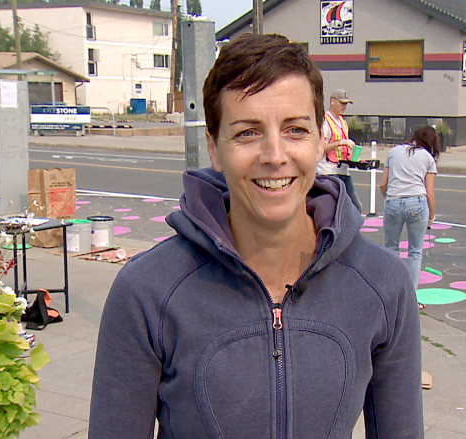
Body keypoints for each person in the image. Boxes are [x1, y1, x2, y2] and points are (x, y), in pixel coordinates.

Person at [89, 33, 423, 438]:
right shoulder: (147, 291)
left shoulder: (384, 284)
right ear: (214, 147)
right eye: (247, 132)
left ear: (321, 139)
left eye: (295, 129)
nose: (274, 155)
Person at [380, 125, 440, 295]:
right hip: (417, 202)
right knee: (415, 252)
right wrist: (432, 217)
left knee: (391, 249)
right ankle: (411, 297)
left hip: (393, 200)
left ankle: (392, 292)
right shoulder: (428, 158)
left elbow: (383, 184)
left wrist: (390, 199)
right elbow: (429, 193)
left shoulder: (394, 152)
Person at [317, 88, 363, 212]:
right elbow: (320, 148)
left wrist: (354, 159)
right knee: (333, 210)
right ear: (333, 101)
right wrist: (340, 143)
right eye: (342, 103)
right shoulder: (325, 121)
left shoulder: (343, 122)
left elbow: (343, 149)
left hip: (343, 171)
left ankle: (345, 231)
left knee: (356, 208)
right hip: (328, 172)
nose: (345, 106)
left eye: (346, 103)